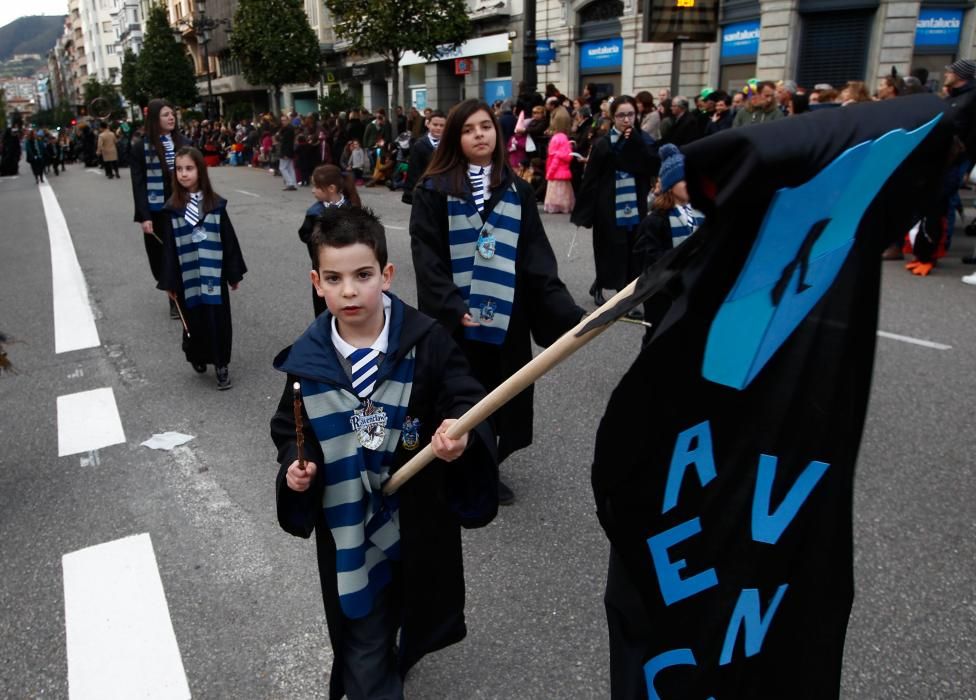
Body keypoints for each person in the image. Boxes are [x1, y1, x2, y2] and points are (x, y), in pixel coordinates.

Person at [271, 205, 498, 700]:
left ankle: (402, 649)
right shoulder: (307, 362)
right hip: (350, 528)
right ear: (317, 282)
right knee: (366, 639)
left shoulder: (427, 341)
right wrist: (296, 464)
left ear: (387, 275)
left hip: (416, 519)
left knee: (410, 611)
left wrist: (459, 433)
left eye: (363, 275)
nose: (349, 290)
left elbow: (465, 395)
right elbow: (290, 428)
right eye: (334, 278)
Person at [409, 99, 585, 505]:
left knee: (502, 395)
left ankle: (488, 463)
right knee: (458, 395)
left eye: (486, 126)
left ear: (497, 132)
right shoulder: (433, 191)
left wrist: (570, 316)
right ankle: (460, 464)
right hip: (458, 322)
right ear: (456, 137)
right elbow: (428, 258)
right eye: (469, 129)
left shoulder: (517, 190)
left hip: (506, 316)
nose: (479, 135)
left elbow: (537, 260)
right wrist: (453, 307)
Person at [158, 147, 246, 389]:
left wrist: (233, 273)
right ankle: (197, 355)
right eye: (179, 169)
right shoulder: (172, 209)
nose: (184, 174)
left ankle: (221, 365)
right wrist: (169, 282)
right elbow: (168, 250)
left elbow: (228, 240)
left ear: (200, 170)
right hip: (187, 277)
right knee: (193, 320)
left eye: (189, 168)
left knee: (217, 321)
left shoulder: (215, 205)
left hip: (213, 275)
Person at [572, 95, 659, 308]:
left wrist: (636, 142)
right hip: (608, 205)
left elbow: (652, 165)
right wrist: (586, 211)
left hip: (634, 204)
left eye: (630, 114)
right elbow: (591, 179)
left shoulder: (642, 140)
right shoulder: (603, 144)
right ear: (613, 117)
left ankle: (626, 290)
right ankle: (602, 285)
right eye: (621, 115)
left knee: (632, 249)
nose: (626, 119)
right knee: (608, 247)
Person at [633, 143, 705, 344]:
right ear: (670, 185)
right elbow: (647, 259)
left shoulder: (703, 214)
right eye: (684, 180)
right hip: (664, 295)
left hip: (696, 292)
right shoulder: (656, 220)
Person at [130, 99, 190, 317]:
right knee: (163, 258)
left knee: (186, 253)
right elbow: (138, 185)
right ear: (155, 119)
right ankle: (173, 297)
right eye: (165, 115)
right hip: (157, 213)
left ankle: (188, 295)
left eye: (172, 113)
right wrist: (144, 217)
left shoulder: (185, 143)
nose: (171, 117)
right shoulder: (140, 148)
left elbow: (198, 177)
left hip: (185, 209)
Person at [544, 115, 575, 213]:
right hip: (565, 174)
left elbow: (553, 166)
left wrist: (549, 174)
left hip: (555, 175)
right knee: (565, 193)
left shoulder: (556, 155)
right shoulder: (566, 153)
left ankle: (553, 207)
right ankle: (566, 207)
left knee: (554, 193)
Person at [278, 113, 298, 190]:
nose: (283, 122)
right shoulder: (288, 129)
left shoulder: (288, 129)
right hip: (288, 150)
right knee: (290, 168)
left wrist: (285, 153)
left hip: (286, 151)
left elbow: (287, 143)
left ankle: (290, 183)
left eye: (284, 120)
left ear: (288, 120)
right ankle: (293, 183)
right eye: (282, 120)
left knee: (282, 168)